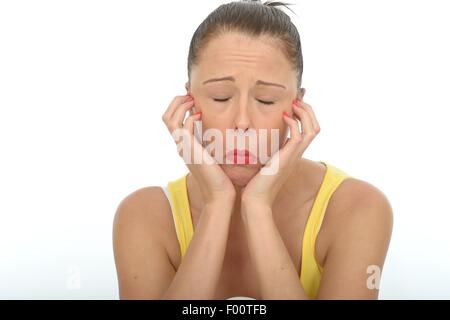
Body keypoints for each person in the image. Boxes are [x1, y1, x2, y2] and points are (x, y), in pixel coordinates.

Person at [113, 0, 393, 300]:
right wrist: (217, 203)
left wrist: (258, 207)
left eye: (267, 100)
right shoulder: (144, 216)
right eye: (221, 98)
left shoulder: (358, 209)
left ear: (299, 106)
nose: (242, 122)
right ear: (188, 101)